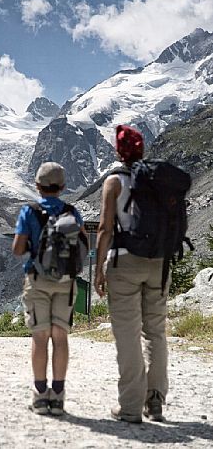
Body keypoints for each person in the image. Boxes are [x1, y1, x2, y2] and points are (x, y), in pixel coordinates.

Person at [94, 125, 169, 424]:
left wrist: (100, 267)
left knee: (127, 334)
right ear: (142, 150)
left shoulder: (114, 181)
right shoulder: (159, 181)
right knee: (155, 331)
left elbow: (105, 228)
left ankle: (130, 406)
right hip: (159, 262)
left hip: (125, 262)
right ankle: (156, 400)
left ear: (118, 152)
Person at [12, 162, 85, 416]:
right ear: (63, 187)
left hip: (37, 280)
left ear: (37, 186)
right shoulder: (72, 212)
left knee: (40, 337)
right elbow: (82, 246)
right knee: (60, 337)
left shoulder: (28, 212)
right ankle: (59, 396)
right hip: (66, 282)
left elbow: (18, 249)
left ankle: (40, 396)